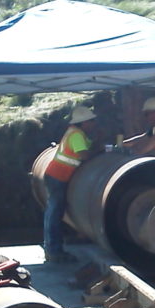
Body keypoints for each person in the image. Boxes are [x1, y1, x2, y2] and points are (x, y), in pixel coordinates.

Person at [43, 105, 102, 263]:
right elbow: (83, 155)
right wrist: (99, 152)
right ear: (83, 123)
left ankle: (53, 247)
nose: (93, 123)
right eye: (91, 121)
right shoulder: (76, 134)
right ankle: (53, 249)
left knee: (56, 212)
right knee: (54, 213)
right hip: (57, 177)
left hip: (58, 177)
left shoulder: (76, 133)